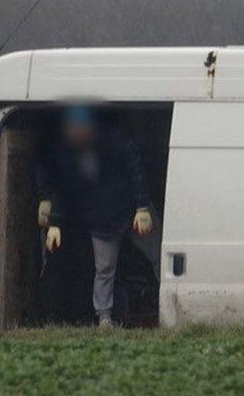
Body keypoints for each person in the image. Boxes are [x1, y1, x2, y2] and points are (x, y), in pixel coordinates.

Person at [36, 107, 155, 328]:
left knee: (157, 255)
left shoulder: (115, 142)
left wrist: (142, 207)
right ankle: (105, 317)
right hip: (101, 222)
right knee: (105, 269)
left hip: (130, 212)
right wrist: (55, 223)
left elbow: (136, 172)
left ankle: (161, 302)